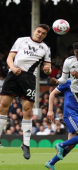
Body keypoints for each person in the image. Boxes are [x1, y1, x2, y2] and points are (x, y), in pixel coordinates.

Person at [0, 24, 51, 159]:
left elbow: (48, 66)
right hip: (13, 74)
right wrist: (13, 68)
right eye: (39, 32)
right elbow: (9, 58)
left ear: (45, 36)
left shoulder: (46, 49)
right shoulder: (21, 40)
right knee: (3, 106)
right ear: (34, 31)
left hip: (29, 78)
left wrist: (47, 69)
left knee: (27, 110)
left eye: (43, 33)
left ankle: (26, 144)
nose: (40, 34)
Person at [45, 80, 78, 170]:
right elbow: (52, 94)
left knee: (71, 145)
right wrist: (50, 110)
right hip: (71, 114)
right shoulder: (68, 81)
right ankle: (60, 145)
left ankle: (51, 163)